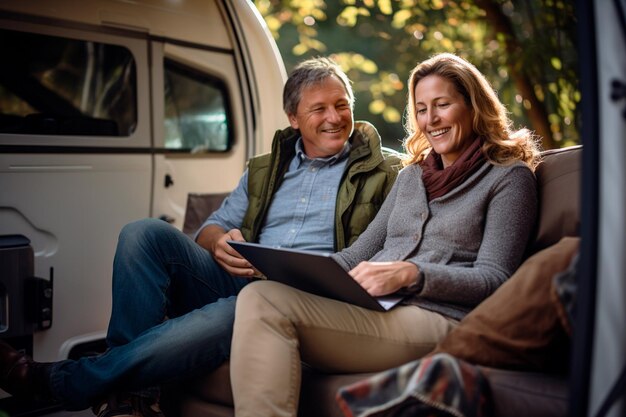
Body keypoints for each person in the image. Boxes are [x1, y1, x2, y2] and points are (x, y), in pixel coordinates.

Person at [0, 57, 399, 416]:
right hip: (244, 277)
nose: (334, 117)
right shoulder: (264, 169)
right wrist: (217, 243)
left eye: (342, 105)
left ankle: (69, 385)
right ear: (293, 118)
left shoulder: (387, 173)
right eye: (319, 108)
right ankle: (134, 396)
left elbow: (393, 247)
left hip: (306, 300)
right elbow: (209, 228)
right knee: (143, 234)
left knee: (246, 305)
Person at [228, 52, 542, 417]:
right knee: (260, 293)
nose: (431, 120)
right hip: (372, 308)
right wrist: (282, 268)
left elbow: (495, 279)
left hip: (439, 318)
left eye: (442, 105)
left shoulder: (508, 177)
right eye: (422, 109)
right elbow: (355, 254)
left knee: (265, 305)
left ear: (473, 106)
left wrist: (413, 274)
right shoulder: (412, 177)